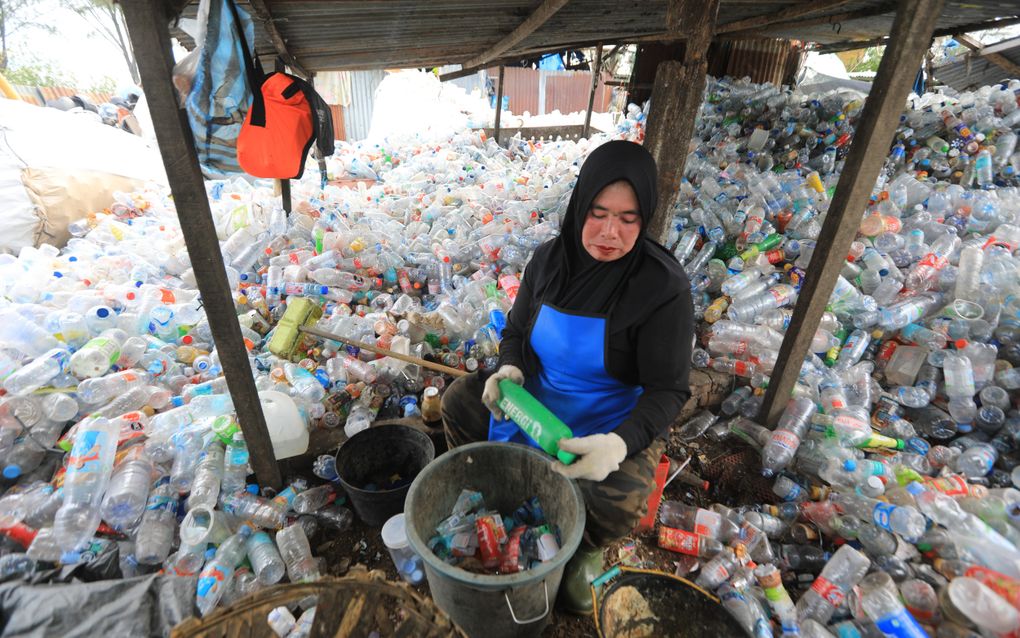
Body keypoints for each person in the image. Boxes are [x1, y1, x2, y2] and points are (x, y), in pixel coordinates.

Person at [441, 140, 695, 614]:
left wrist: (618, 444)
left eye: (628, 218)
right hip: (535, 400)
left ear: (645, 220)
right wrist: (509, 368)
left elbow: (668, 389)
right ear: (579, 206)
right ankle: (498, 492)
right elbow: (516, 330)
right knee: (459, 402)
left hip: (608, 418)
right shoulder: (549, 261)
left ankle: (583, 550)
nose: (609, 232)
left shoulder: (661, 288)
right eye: (597, 213)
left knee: (619, 498)